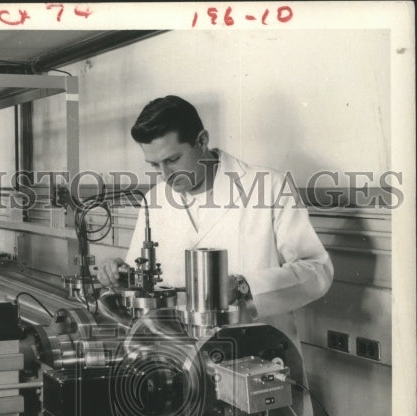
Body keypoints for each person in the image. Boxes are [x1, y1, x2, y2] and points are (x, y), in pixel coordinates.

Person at [98, 96, 333, 337]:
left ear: (202, 140)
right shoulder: (154, 200)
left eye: (173, 160)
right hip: (177, 350)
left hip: (254, 347)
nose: (165, 175)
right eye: (155, 165)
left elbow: (316, 270)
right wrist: (120, 275)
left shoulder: (269, 187)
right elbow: (142, 280)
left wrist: (244, 287)